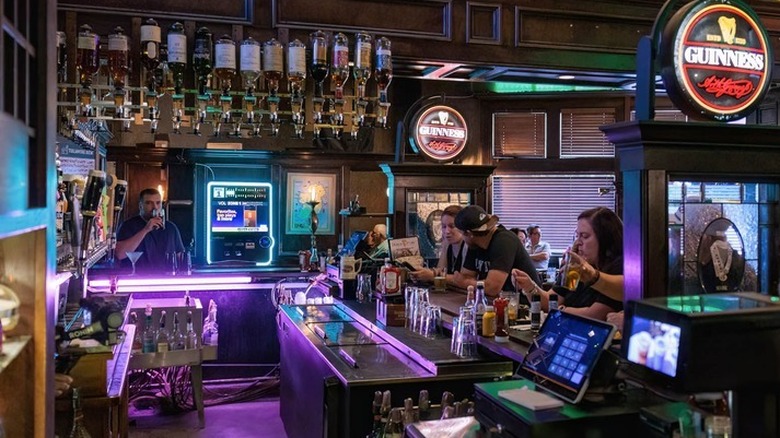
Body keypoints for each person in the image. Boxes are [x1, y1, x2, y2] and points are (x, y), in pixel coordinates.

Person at [512, 207, 624, 321]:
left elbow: (595, 315)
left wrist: (560, 310)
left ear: (605, 239)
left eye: (584, 236)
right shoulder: (575, 267)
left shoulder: (618, 268)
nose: (578, 242)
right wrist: (529, 286)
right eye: (577, 236)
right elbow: (550, 301)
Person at [452, 205, 540, 297]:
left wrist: (465, 283)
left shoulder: (504, 240)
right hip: (494, 303)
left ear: (468, 233)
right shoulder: (475, 243)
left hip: (522, 305)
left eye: (462, 233)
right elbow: (466, 276)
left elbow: (492, 288)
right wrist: (469, 282)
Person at [115, 188, 185, 272]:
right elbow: (119, 254)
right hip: (137, 280)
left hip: (165, 280)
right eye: (149, 203)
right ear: (140, 206)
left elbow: (181, 258)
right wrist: (145, 230)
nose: (155, 207)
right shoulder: (128, 225)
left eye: (158, 203)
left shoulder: (171, 228)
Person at [410, 205, 468, 287]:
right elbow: (440, 270)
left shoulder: (468, 246)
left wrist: (432, 276)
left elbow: (462, 280)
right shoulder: (447, 244)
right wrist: (422, 274)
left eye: (452, 226)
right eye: (444, 226)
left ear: (462, 226)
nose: (447, 231)